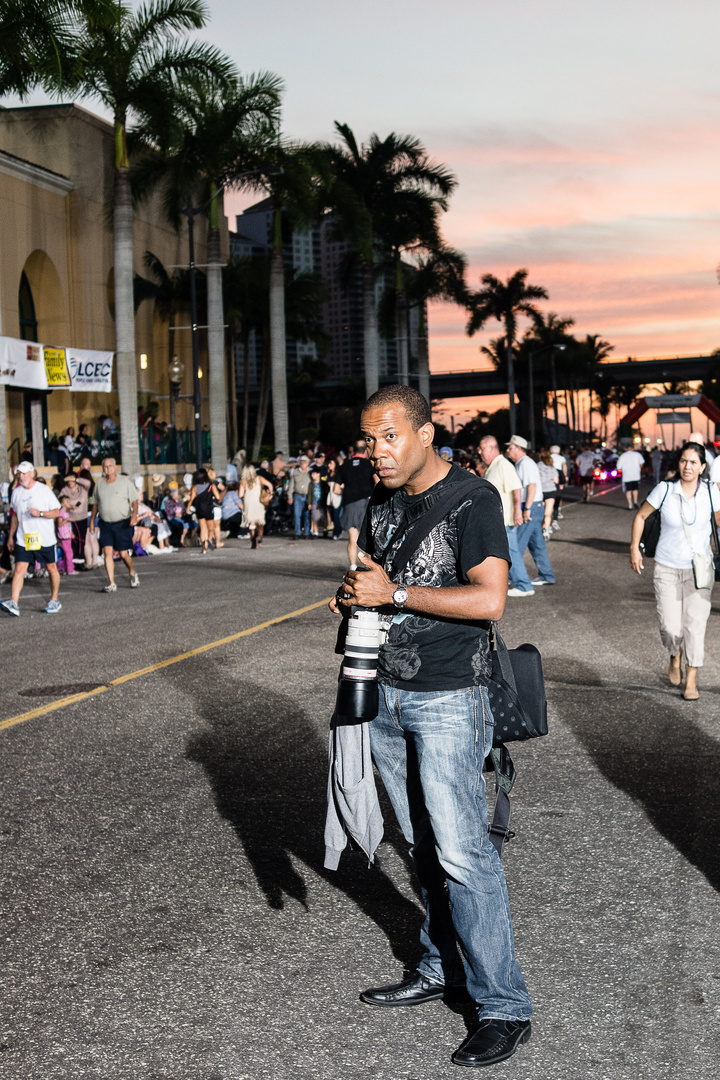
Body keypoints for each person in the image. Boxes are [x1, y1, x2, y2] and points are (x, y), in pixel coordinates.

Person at [331, 385, 532, 1068]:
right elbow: (385, 581)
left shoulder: (474, 499)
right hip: (386, 693)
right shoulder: (382, 501)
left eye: (387, 436)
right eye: (367, 438)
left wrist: (393, 592)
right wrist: (359, 596)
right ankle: (440, 965)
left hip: (447, 696)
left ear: (423, 435)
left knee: (460, 851)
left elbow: (490, 598)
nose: (374, 451)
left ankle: (503, 1004)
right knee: (419, 845)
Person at [631, 442, 720, 700]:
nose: (687, 466)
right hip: (667, 568)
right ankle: (674, 654)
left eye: (693, 462)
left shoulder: (712, 493)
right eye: (683, 461)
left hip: (699, 570)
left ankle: (691, 679)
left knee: (695, 626)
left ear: (703, 466)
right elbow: (640, 517)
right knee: (671, 627)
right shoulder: (665, 489)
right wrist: (634, 548)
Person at [1, 462, 63, 615]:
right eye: (19, 473)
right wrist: (11, 537)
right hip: (24, 538)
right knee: (19, 569)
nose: (20, 476)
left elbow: (57, 512)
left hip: (45, 538)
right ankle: (14, 602)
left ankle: (54, 599)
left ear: (31, 474)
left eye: (23, 473)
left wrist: (40, 513)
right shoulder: (16, 493)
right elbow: (15, 516)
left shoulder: (44, 490)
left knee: (51, 568)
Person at [480, 435, 535, 597]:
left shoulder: (503, 464)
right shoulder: (493, 466)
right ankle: (510, 580)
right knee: (504, 553)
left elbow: (516, 488)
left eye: (482, 449)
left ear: (490, 448)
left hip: (505, 519)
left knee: (511, 552)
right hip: (497, 520)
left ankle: (524, 585)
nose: (479, 452)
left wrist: (518, 511)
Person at [505, 435, 555, 587]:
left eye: (510, 447)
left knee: (516, 545)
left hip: (531, 506)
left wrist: (526, 508)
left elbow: (531, 486)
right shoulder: (524, 463)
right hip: (535, 506)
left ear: (519, 448)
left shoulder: (525, 463)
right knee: (537, 545)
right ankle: (547, 575)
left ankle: (511, 577)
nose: (507, 450)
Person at [90, 458, 140, 592]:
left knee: (123, 554)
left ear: (115, 467)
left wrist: (134, 515)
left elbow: (135, 500)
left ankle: (132, 572)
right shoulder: (99, 484)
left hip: (122, 523)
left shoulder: (124, 481)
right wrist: (92, 521)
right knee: (107, 552)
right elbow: (95, 503)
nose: (108, 469)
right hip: (105, 523)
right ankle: (111, 582)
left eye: (110, 466)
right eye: (105, 467)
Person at [335, 440, 376, 564]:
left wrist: (348, 493)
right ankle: (369, 569)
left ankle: (352, 566)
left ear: (353, 450)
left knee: (353, 539)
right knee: (369, 539)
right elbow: (378, 483)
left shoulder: (344, 466)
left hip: (350, 504)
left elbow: (336, 489)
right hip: (366, 503)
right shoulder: (370, 465)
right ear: (365, 450)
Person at [186, 468, 221, 554]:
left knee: (203, 529)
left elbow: (192, 499)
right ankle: (209, 540)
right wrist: (212, 496)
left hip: (200, 510)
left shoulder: (195, 487)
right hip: (209, 509)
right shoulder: (211, 486)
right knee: (211, 529)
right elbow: (218, 497)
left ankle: (204, 548)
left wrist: (188, 508)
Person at [59, 472, 91, 564]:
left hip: (82, 518)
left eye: (72, 480)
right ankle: (73, 562)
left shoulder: (83, 488)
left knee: (82, 540)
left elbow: (88, 483)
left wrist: (75, 478)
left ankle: (81, 561)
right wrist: (69, 507)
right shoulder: (65, 490)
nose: (70, 482)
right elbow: (60, 501)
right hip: (71, 519)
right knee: (73, 541)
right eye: (68, 480)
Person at [240, 465, 273, 548]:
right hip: (258, 502)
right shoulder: (259, 479)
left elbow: (240, 494)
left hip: (248, 503)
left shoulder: (243, 482)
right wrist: (270, 494)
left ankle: (253, 542)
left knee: (252, 523)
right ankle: (259, 537)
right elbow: (270, 485)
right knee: (260, 522)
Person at [287, 456, 313, 539]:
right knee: (297, 515)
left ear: (308, 463)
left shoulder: (311, 472)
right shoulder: (295, 472)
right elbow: (291, 485)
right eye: (301, 462)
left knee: (307, 515)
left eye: (305, 462)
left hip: (307, 496)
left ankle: (306, 533)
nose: (303, 463)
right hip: (297, 495)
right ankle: (297, 532)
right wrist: (290, 496)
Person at [537, 449, 559, 539]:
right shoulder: (552, 466)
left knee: (541, 513)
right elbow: (556, 480)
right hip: (550, 491)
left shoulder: (537, 465)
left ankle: (542, 528)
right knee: (548, 513)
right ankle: (546, 529)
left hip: (541, 491)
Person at [617, 444, 646, 510]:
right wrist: (639, 469)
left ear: (626, 449)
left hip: (627, 476)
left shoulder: (623, 455)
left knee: (628, 490)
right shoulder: (637, 454)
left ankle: (630, 504)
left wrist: (621, 471)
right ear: (633, 448)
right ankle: (635, 501)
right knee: (635, 489)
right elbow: (642, 463)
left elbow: (618, 467)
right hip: (636, 475)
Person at [56, 496, 77, 574]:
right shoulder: (61, 513)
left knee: (67, 553)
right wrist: (67, 519)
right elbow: (60, 524)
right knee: (69, 553)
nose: (69, 503)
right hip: (64, 536)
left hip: (67, 535)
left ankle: (65, 568)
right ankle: (70, 569)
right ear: (62, 504)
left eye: (69, 501)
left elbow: (68, 526)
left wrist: (71, 533)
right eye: (67, 501)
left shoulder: (66, 513)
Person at [549, 444, 567, 525]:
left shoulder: (549, 457)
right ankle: (558, 509)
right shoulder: (561, 458)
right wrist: (565, 475)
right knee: (559, 492)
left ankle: (551, 509)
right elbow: (564, 466)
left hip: (550, 474)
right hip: (559, 474)